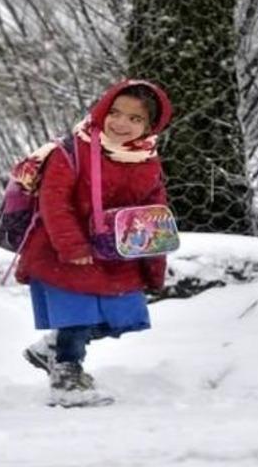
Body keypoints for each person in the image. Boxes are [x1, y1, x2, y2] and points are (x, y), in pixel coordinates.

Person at [17, 79, 173, 408]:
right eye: (115, 112)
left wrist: (154, 263)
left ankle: (52, 348)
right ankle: (67, 373)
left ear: (149, 126)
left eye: (135, 118)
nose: (121, 123)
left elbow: (152, 215)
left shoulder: (146, 160)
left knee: (123, 317)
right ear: (102, 110)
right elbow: (54, 202)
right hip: (65, 252)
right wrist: (73, 246)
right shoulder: (73, 151)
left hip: (117, 255)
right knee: (77, 315)